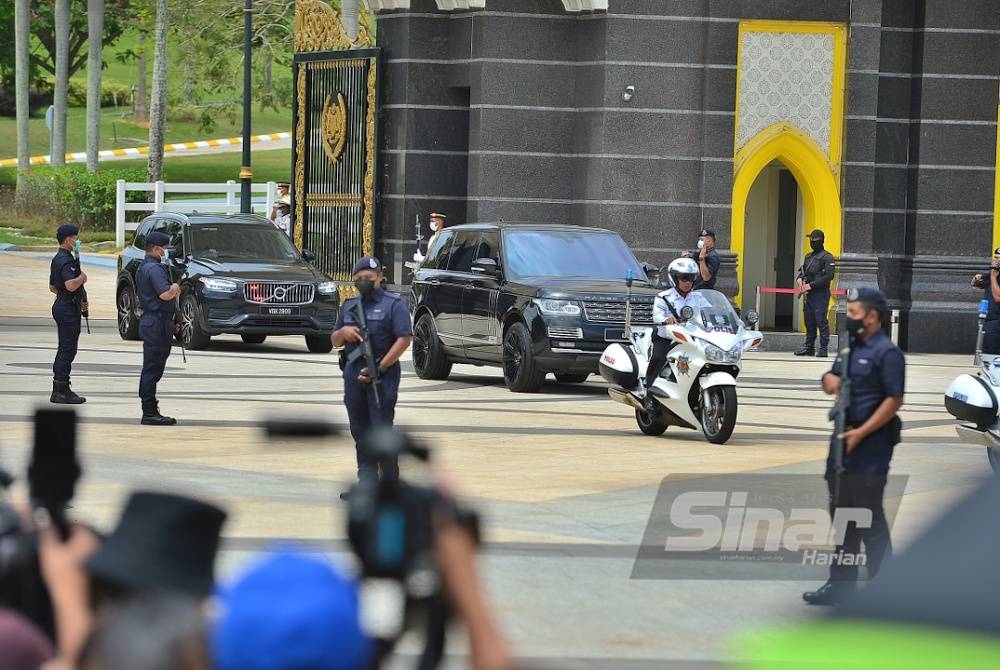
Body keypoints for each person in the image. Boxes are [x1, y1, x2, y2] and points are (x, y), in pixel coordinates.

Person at [803, 287, 905, 606]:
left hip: (870, 446)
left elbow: (894, 399)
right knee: (844, 515)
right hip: (841, 444)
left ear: (872, 316)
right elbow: (829, 379)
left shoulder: (887, 353)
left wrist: (862, 432)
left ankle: (887, 590)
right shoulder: (848, 349)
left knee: (869, 516)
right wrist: (828, 381)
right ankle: (841, 585)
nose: (848, 317)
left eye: (853, 312)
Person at [332, 257, 413, 497]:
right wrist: (343, 332)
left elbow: (404, 338)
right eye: (359, 279)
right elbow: (334, 340)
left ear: (380, 278)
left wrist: (381, 367)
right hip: (353, 373)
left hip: (382, 375)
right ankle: (366, 483)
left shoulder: (393, 305)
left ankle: (390, 485)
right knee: (359, 429)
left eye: (369, 278)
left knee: (381, 431)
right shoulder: (348, 306)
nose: (364, 282)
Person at [642, 257, 711, 413]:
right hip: (668, 337)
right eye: (684, 278)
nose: (688, 282)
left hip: (692, 339)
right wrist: (666, 319)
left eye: (691, 278)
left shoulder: (699, 298)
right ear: (675, 278)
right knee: (658, 357)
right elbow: (656, 316)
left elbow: (709, 314)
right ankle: (649, 394)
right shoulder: (664, 297)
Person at [136, 231, 181, 426]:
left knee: (153, 366)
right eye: (164, 247)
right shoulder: (154, 269)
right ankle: (149, 411)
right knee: (152, 368)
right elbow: (164, 294)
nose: (166, 251)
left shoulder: (144, 267)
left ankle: (150, 408)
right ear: (156, 248)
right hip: (156, 322)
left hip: (158, 321)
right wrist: (176, 288)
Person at [48, 224, 89, 404]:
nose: (77, 241)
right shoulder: (65, 260)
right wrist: (82, 278)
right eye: (75, 237)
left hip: (63, 305)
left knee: (65, 347)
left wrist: (75, 298)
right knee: (67, 349)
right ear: (67, 240)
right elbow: (70, 285)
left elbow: (52, 287)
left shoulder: (58, 258)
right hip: (67, 310)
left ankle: (61, 387)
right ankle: (60, 389)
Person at [795, 229, 837, 358]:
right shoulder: (808, 257)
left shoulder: (827, 257)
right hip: (809, 295)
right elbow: (804, 272)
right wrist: (799, 279)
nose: (812, 243)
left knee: (821, 321)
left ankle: (823, 348)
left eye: (814, 241)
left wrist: (810, 285)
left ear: (821, 241)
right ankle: (809, 347)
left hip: (820, 294)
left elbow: (829, 276)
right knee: (809, 321)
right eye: (811, 240)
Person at [970, 247, 1000, 354]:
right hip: (989, 321)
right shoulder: (993, 273)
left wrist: (993, 277)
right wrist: (975, 280)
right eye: (995, 258)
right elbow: (976, 284)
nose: (996, 261)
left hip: (997, 322)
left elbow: (998, 297)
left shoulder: (994, 275)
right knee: (987, 356)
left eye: (999, 259)